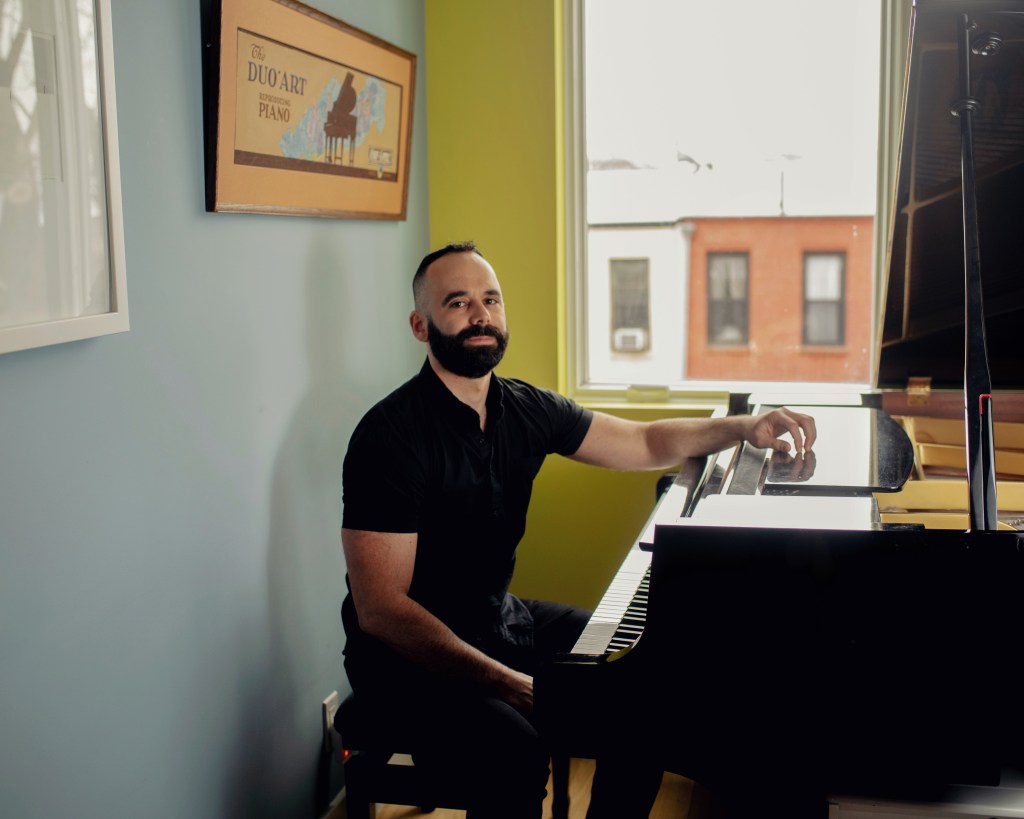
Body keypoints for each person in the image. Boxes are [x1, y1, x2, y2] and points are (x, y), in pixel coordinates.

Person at [339, 241, 816, 818]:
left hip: (496, 618)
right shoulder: (389, 437)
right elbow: (382, 610)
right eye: (458, 303)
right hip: (407, 660)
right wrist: (507, 682)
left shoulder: (525, 408)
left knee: (641, 690)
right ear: (421, 325)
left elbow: (643, 442)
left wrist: (746, 425)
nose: (480, 315)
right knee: (515, 751)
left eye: (490, 299)